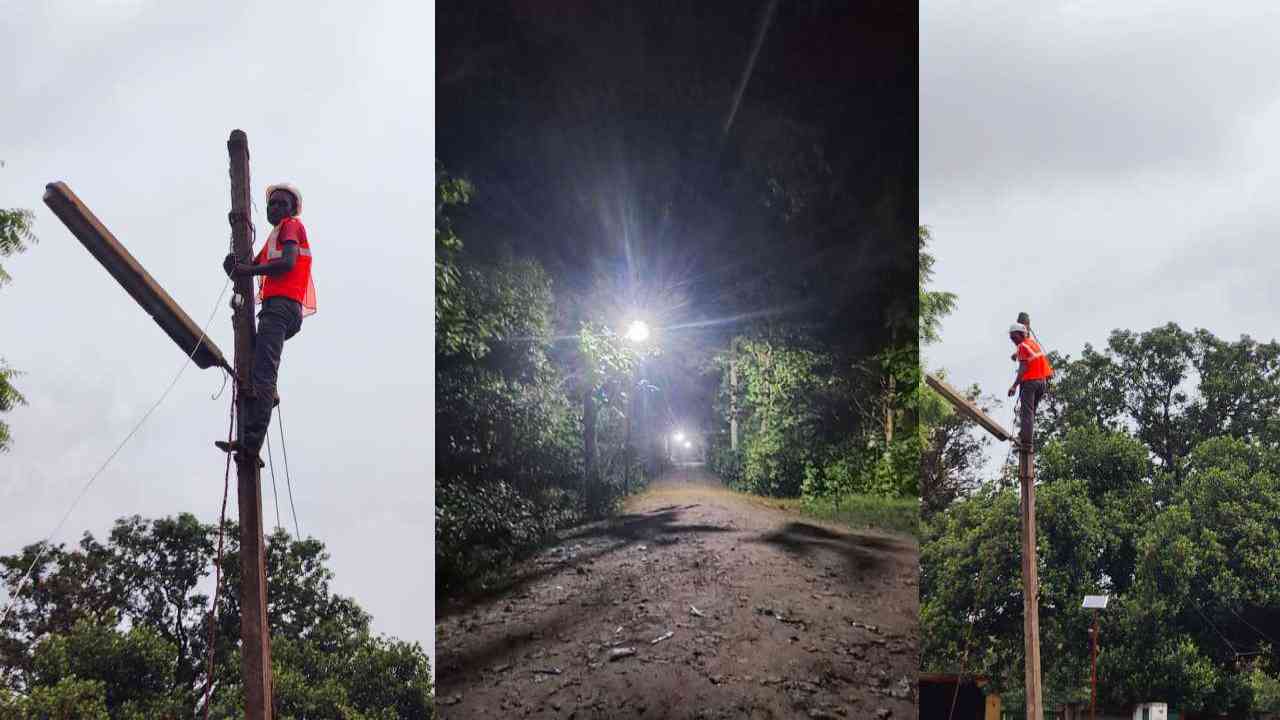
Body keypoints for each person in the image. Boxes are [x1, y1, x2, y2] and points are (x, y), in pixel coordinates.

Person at [216, 183, 316, 465]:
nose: (275, 208)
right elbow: (249, 266)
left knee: (262, 376)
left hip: (282, 307)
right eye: (272, 204)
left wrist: (247, 270)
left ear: (292, 209)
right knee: (257, 369)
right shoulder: (275, 235)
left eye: (281, 204)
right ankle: (263, 405)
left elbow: (286, 264)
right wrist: (235, 266)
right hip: (279, 309)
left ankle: (250, 447)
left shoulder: (291, 227)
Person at [1007, 322, 1052, 449]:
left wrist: (1014, 386)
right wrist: (1016, 355)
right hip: (1042, 383)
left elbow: (1023, 367)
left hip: (1030, 383)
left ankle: (1025, 442)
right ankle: (1024, 436)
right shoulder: (1031, 344)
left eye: (1014, 337)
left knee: (1026, 413)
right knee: (1031, 412)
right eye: (1011, 338)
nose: (1013, 340)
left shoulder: (1022, 346)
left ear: (1021, 334)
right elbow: (1029, 353)